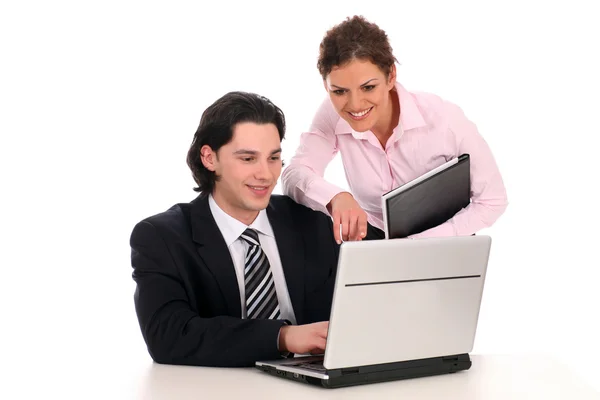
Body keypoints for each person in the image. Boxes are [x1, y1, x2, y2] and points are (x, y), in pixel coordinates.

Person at [129, 91, 340, 367]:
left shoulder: (313, 222)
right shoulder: (161, 238)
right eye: (248, 159)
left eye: (273, 158)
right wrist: (283, 336)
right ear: (209, 158)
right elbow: (168, 336)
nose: (265, 174)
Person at [282, 15, 508, 244]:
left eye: (368, 87)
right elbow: (294, 173)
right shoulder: (331, 113)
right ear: (326, 86)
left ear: (391, 76)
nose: (355, 104)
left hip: (445, 239)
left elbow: (492, 201)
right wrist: (335, 197)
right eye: (339, 91)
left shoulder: (444, 119)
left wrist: (417, 244)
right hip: (374, 239)